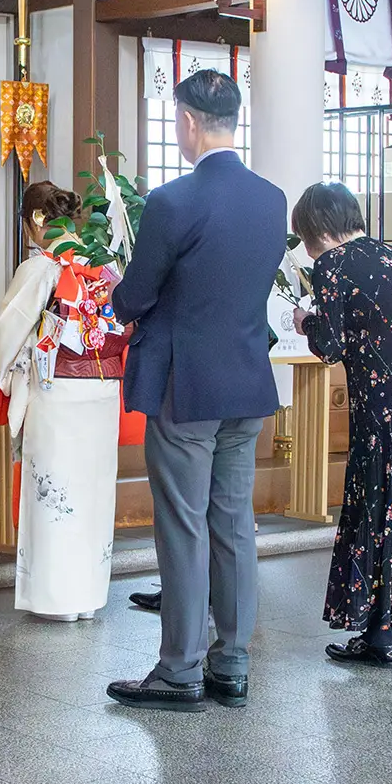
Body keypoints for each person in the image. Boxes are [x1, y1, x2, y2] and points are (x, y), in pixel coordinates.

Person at [104, 69, 286, 712]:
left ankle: (179, 668)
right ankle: (231, 663)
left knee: (182, 526)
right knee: (234, 523)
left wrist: (113, 292)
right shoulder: (272, 200)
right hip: (246, 383)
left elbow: (140, 293)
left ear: (185, 121)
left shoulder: (173, 202)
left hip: (186, 388)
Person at [291, 181, 392, 667]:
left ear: (318, 228)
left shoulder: (331, 266)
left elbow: (332, 346)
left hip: (384, 407)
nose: (306, 245)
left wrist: (305, 320)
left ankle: (378, 635)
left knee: (378, 503)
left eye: (304, 234)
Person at [0, 181, 127, 622]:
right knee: (92, 490)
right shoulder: (102, 266)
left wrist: (7, 376)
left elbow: (7, 332)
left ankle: (57, 601)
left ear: (38, 221)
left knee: (55, 492)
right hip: (101, 391)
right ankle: (86, 599)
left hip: (57, 391)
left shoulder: (42, 268)